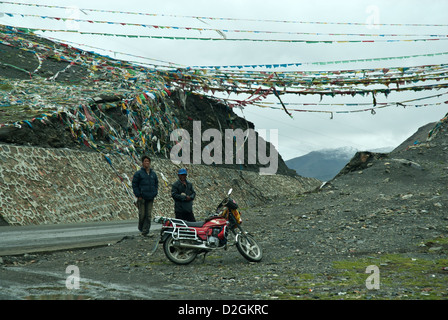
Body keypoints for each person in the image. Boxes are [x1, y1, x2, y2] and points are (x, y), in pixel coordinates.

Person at [132, 155, 158, 237]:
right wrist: (138, 195)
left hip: (150, 197)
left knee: (148, 215)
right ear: (142, 163)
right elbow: (134, 184)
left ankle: (145, 231)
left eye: (148, 161)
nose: (147, 163)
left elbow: (156, 184)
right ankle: (141, 227)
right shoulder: (138, 174)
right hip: (142, 198)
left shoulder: (153, 174)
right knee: (142, 215)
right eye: (145, 161)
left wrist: (155, 192)